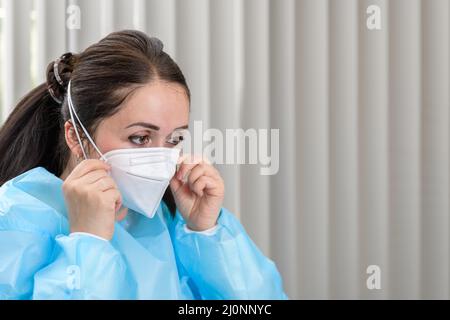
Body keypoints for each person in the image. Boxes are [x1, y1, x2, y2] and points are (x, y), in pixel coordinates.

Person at [0, 30, 287, 299]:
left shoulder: (166, 219)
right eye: (140, 138)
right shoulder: (15, 219)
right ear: (76, 136)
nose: (161, 158)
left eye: (174, 139)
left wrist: (207, 233)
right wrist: (88, 241)